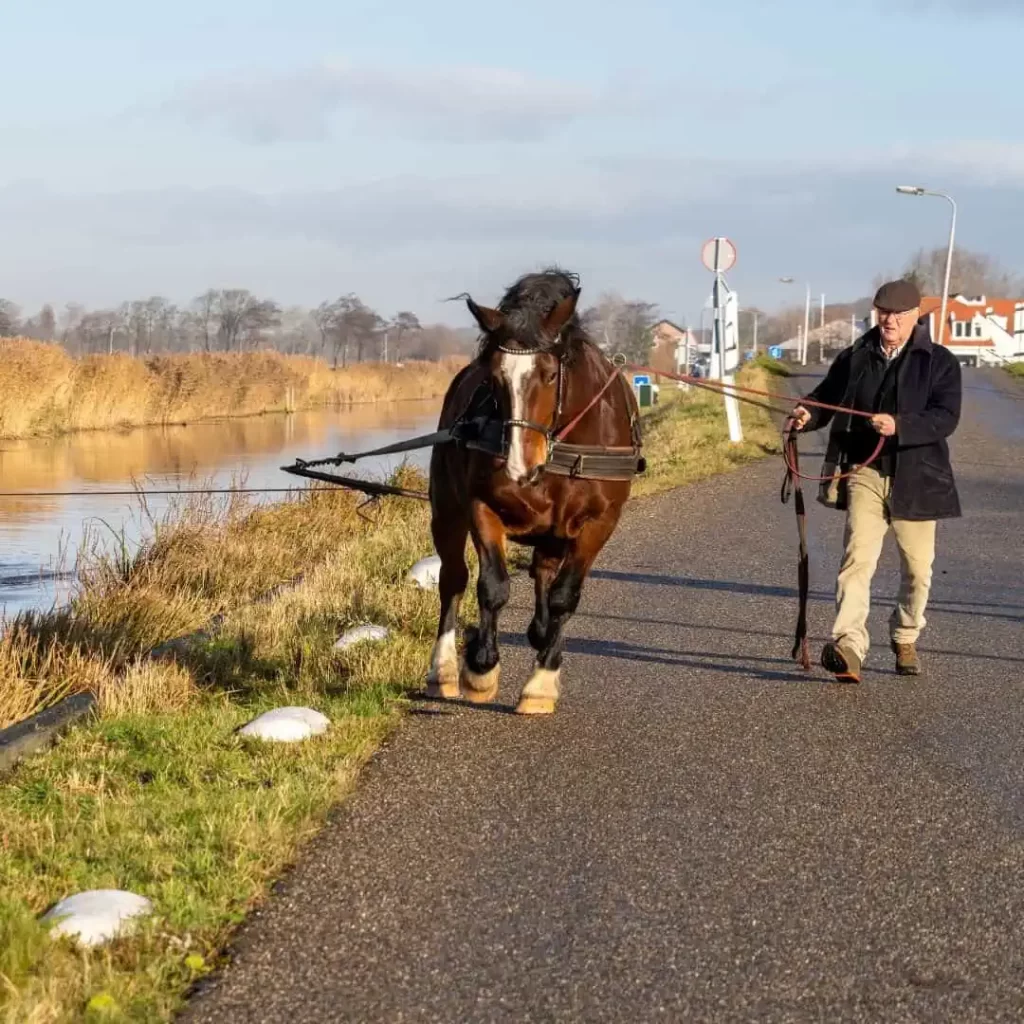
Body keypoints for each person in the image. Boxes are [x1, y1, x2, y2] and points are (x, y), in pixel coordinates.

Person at [790, 279, 962, 682]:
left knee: (919, 571)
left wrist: (899, 425)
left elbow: (946, 417)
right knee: (856, 562)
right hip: (865, 473)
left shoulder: (939, 362)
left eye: (897, 314)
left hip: (917, 478)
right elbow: (825, 396)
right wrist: (806, 415)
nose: (887, 320)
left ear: (914, 316)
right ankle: (849, 646)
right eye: (882, 312)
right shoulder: (857, 355)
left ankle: (905, 635)